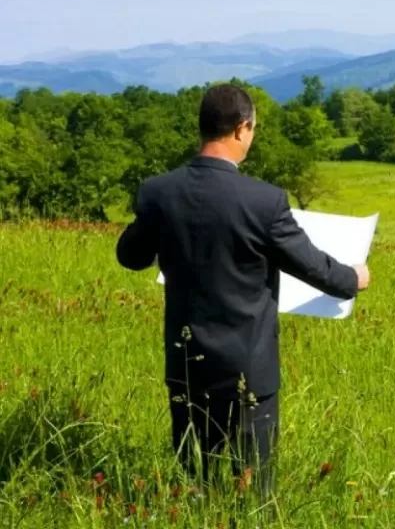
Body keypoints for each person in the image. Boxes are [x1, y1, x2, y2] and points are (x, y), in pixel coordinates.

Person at [115, 83, 370, 499]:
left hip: (186, 364)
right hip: (248, 370)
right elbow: (311, 265)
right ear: (241, 128)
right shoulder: (264, 201)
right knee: (253, 492)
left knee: (193, 482)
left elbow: (130, 256)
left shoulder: (159, 193)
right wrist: (352, 278)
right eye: (252, 130)